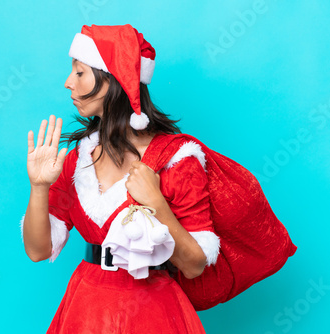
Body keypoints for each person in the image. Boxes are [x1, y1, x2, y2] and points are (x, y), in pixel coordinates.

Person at [21, 24, 221, 333]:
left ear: (113, 78)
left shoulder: (177, 158)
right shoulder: (79, 159)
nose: (67, 83)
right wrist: (38, 187)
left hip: (152, 312)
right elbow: (38, 251)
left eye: (79, 73)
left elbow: (194, 266)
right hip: (86, 307)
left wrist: (156, 204)